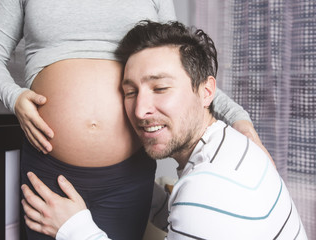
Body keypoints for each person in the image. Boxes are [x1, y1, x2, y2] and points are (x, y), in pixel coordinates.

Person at [0, 1, 265, 239]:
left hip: (126, 176)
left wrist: (238, 118)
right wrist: (14, 98)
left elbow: (182, 66)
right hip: (50, 166)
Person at [21, 21, 307, 239]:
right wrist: (140, 190)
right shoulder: (233, 147)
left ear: (207, 92)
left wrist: (74, 228)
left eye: (160, 88)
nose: (140, 109)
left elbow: (202, 205)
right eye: (130, 91)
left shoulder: (208, 189)